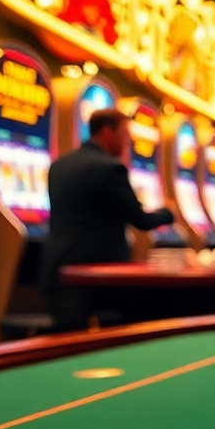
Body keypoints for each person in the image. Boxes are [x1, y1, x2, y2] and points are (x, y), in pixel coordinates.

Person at [40, 109, 175, 330]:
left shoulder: (59, 165)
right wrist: (169, 212)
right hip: (97, 277)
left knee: (68, 341)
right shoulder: (111, 169)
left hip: (58, 270)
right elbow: (140, 220)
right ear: (107, 131)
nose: (128, 141)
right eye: (124, 134)